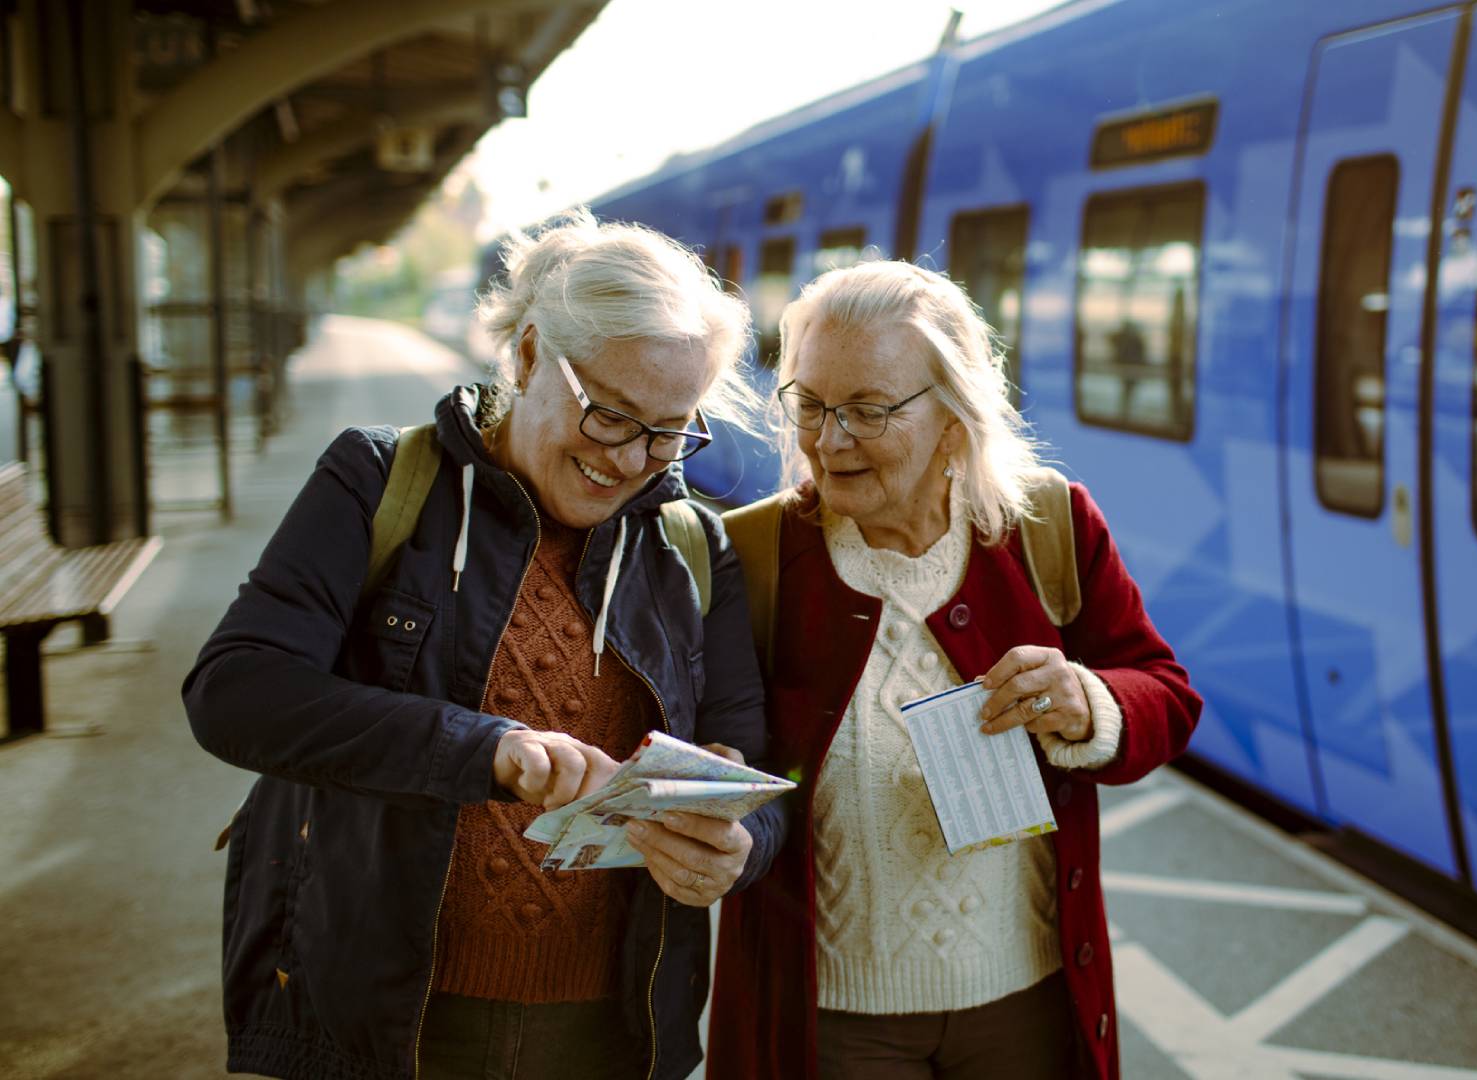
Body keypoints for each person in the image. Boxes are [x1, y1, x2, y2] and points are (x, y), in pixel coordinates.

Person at [182, 209, 785, 1080]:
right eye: (610, 416)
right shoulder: (379, 482)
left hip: (606, 1031)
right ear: (531, 355)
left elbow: (749, 759)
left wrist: (740, 843)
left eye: (669, 432)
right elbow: (235, 692)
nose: (631, 461)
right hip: (389, 1020)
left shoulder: (690, 547)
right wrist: (486, 748)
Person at [704, 261, 1203, 1079]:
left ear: (953, 413)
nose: (829, 440)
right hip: (833, 1019)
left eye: (868, 410)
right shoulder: (755, 554)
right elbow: (730, 762)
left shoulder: (1046, 525)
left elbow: (1166, 693)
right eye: (812, 404)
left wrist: (1090, 701)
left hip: (1027, 1003)